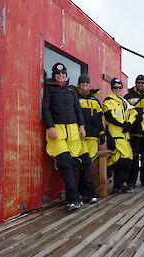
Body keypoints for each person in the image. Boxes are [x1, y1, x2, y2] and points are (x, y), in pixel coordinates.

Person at [42, 63, 85, 212]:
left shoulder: (71, 89)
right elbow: (46, 108)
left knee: (72, 163)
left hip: (73, 130)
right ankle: (73, 199)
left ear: (66, 74)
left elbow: (77, 109)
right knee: (65, 163)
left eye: (63, 73)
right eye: (58, 73)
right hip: (58, 130)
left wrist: (82, 126)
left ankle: (74, 197)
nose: (61, 76)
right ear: (54, 75)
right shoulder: (50, 89)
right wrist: (50, 126)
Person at [102, 78, 137, 193]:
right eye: (115, 87)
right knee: (124, 157)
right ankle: (106, 169)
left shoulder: (124, 101)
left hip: (125, 135)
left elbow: (133, 113)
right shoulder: (108, 100)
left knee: (129, 158)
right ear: (112, 88)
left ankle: (118, 185)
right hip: (115, 135)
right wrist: (123, 125)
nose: (118, 89)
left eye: (119, 87)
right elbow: (110, 116)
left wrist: (129, 123)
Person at [75, 74, 106, 203]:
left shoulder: (95, 100)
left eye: (87, 84)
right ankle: (92, 193)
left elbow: (99, 119)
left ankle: (81, 193)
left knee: (86, 165)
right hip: (80, 136)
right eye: (83, 84)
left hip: (93, 137)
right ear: (79, 85)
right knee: (85, 163)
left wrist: (102, 133)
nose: (85, 87)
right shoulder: (75, 98)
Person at [124, 75, 144, 188]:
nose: (140, 84)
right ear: (135, 83)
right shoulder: (128, 96)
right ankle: (131, 181)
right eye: (138, 82)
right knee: (134, 158)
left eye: (142, 83)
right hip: (133, 132)